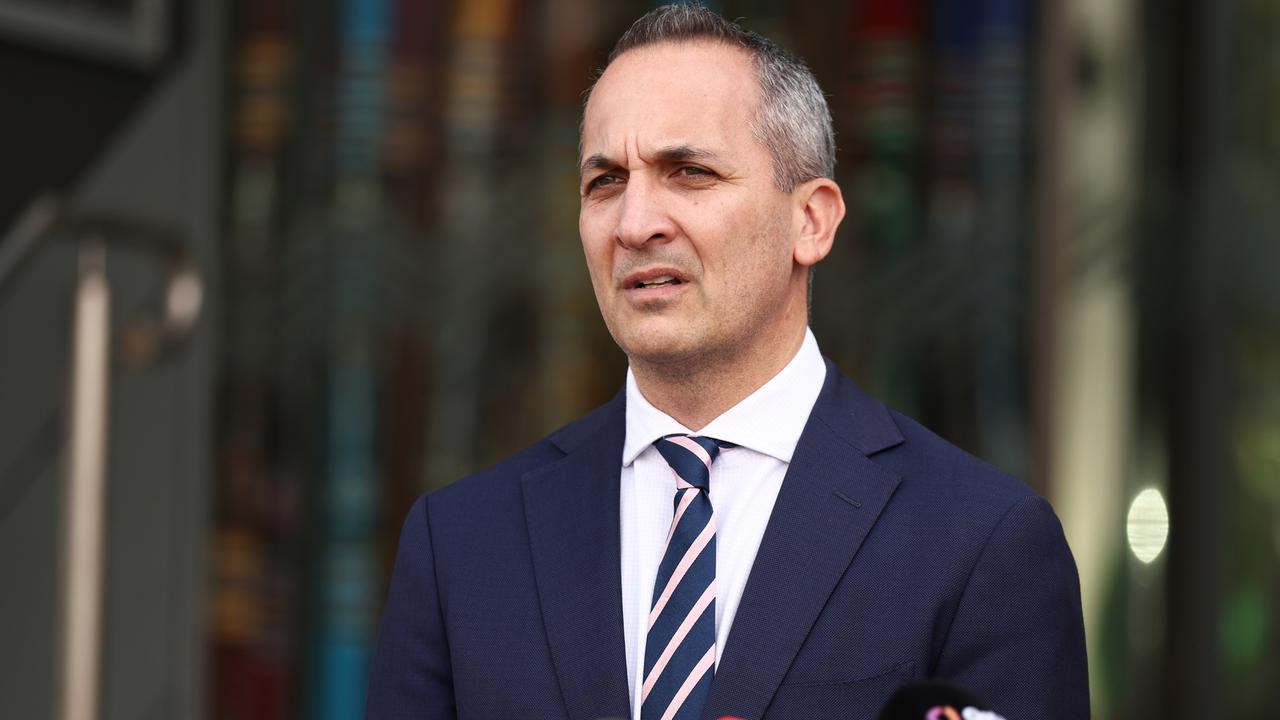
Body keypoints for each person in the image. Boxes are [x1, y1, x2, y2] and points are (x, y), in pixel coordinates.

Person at [365, 6, 1089, 720]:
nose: (635, 222)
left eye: (689, 172)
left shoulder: (981, 543)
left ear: (811, 219)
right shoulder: (462, 546)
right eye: (605, 182)